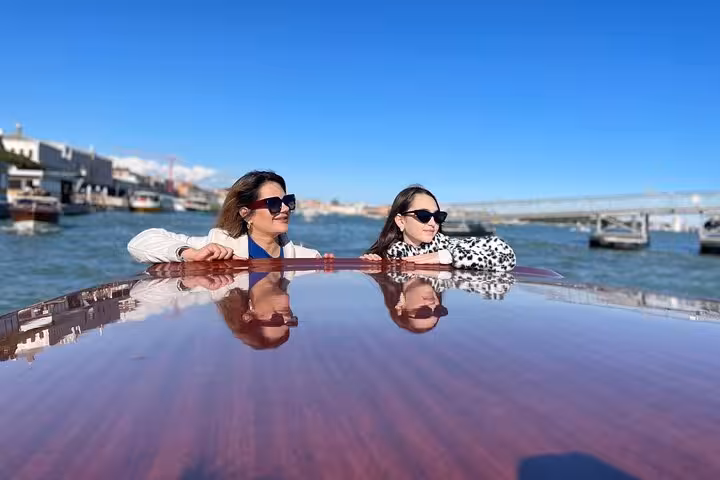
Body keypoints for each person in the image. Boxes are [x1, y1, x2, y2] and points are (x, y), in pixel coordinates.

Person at [127, 170, 332, 262]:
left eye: (288, 201)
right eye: (274, 204)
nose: (286, 209)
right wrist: (189, 254)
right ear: (246, 213)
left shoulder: (309, 258)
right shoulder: (217, 247)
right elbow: (140, 242)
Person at [362, 186, 515, 271]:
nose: (432, 222)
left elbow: (507, 257)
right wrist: (370, 262)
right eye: (423, 215)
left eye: (438, 216)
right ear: (401, 221)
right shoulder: (385, 257)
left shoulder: (445, 246)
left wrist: (446, 256)